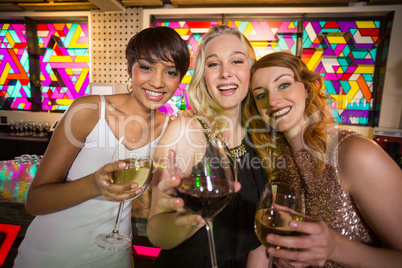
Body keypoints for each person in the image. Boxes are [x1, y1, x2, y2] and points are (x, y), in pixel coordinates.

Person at [13, 26, 190, 268]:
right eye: (146, 67)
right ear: (130, 68)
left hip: (113, 258)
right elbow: (34, 201)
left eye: (170, 72)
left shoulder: (170, 131)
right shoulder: (88, 111)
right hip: (49, 255)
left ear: (180, 79)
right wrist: (94, 185)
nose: (157, 82)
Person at [244, 51, 402, 267]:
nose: (272, 100)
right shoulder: (278, 162)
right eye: (261, 94)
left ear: (308, 89)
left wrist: (336, 248)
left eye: (283, 85)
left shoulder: (356, 154)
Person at [147, 25, 268, 268]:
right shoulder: (186, 130)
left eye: (236, 61)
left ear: (251, 71)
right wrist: (191, 217)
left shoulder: (262, 134)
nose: (226, 73)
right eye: (214, 64)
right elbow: (156, 233)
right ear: (203, 75)